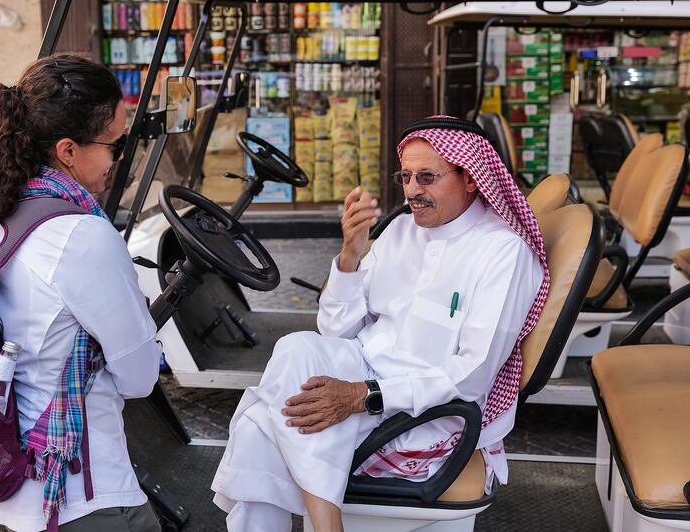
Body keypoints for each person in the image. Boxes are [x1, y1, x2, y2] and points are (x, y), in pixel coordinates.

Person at [211, 116, 549, 532]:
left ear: (471, 178)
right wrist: (350, 257)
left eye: (427, 176)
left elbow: (472, 377)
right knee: (294, 349)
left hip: (424, 414)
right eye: (405, 176)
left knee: (260, 426)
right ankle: (327, 524)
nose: (411, 191)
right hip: (361, 375)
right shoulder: (400, 231)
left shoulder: (502, 251)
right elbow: (335, 332)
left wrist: (361, 396)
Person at [0, 54, 162, 532]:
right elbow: (140, 377)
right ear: (69, 150)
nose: (118, 159)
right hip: (74, 496)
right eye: (114, 144)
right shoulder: (83, 236)